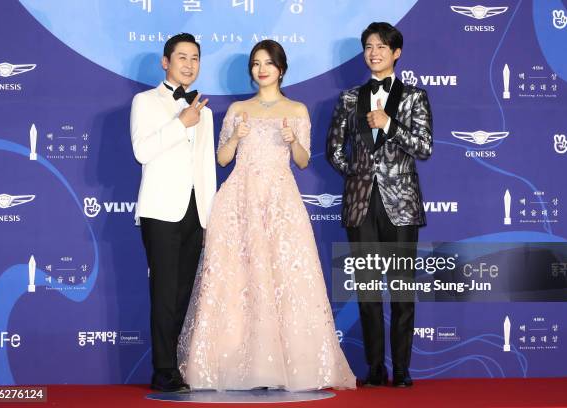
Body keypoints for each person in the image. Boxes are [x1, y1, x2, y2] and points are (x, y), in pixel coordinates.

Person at [177, 40, 356, 391]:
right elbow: (223, 159)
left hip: (279, 201)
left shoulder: (297, 109)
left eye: (268, 63)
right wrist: (235, 137)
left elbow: (303, 161)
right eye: (256, 63)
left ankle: (289, 367)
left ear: (281, 69)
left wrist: (292, 140)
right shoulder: (237, 110)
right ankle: (232, 365)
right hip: (239, 200)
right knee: (236, 282)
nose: (262, 69)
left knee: (284, 280)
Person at [327, 22, 433, 388]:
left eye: (381, 47)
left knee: (403, 292)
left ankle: (402, 370)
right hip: (360, 206)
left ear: (396, 53)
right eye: (369, 46)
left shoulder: (413, 97)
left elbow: (424, 147)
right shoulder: (349, 98)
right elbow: (334, 149)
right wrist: (358, 173)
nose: (374, 52)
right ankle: (375, 369)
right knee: (367, 291)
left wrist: (389, 125)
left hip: (401, 206)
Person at [130, 33, 216, 393]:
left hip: (195, 213)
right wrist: (181, 122)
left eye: (195, 58)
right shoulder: (145, 101)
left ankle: (172, 364)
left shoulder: (206, 111)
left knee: (182, 293)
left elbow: (206, 169)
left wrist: (209, 220)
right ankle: (163, 370)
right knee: (164, 292)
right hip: (161, 211)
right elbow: (141, 151)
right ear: (165, 62)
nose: (189, 64)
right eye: (181, 57)